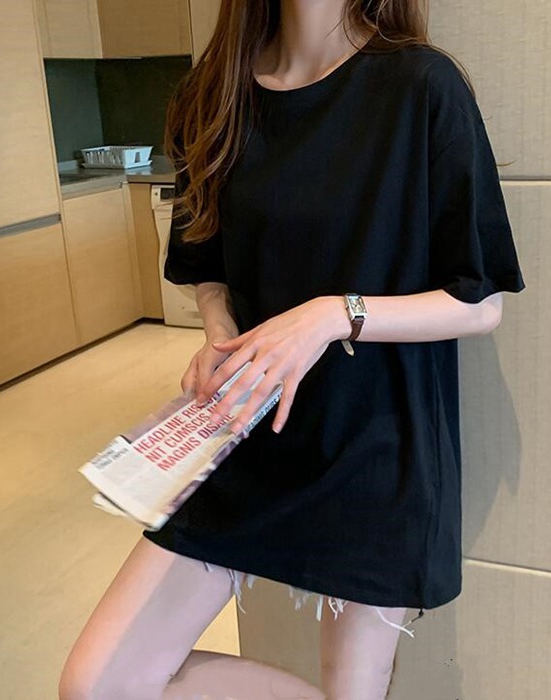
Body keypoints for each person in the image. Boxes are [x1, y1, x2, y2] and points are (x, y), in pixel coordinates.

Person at [59, 0, 526, 698]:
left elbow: (480, 302)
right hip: (245, 435)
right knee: (97, 684)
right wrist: (221, 334)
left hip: (376, 444)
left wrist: (332, 315)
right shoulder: (211, 95)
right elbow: (206, 263)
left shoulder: (421, 87)